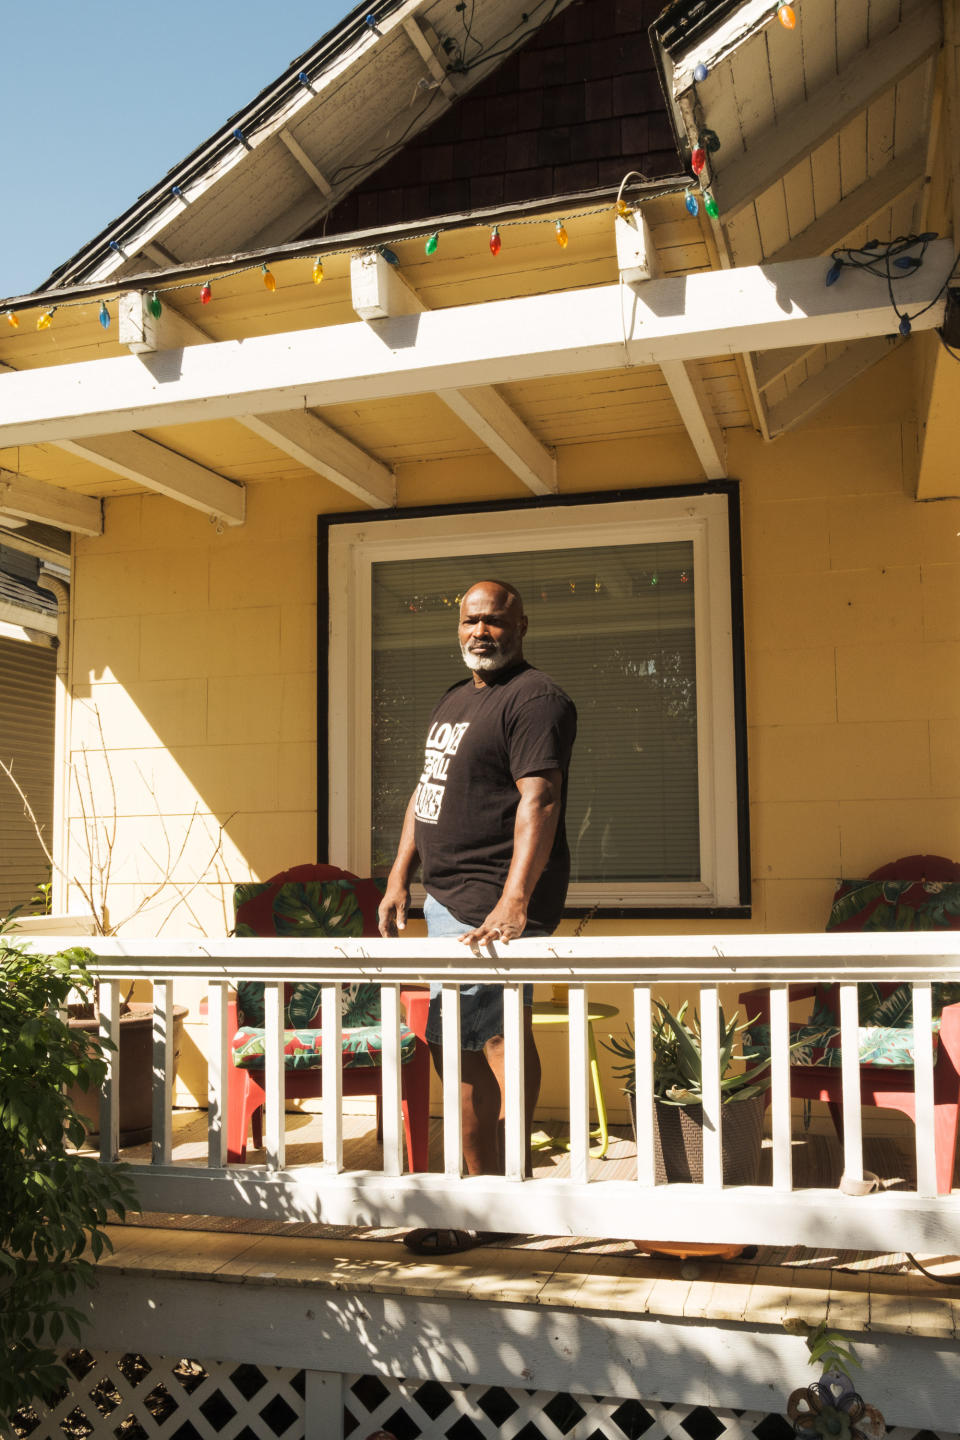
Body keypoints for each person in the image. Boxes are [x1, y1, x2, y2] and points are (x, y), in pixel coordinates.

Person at [378, 579, 577, 1256]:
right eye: (471, 620)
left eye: (495, 621)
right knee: (456, 1046)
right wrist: (400, 873)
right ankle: (478, 1192)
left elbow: (540, 800)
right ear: (457, 625)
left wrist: (515, 900)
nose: (481, 631)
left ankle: (502, 1196)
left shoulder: (536, 698)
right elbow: (425, 791)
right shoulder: (455, 698)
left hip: (493, 903)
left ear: (522, 624)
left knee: (492, 1042)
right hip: (446, 900)